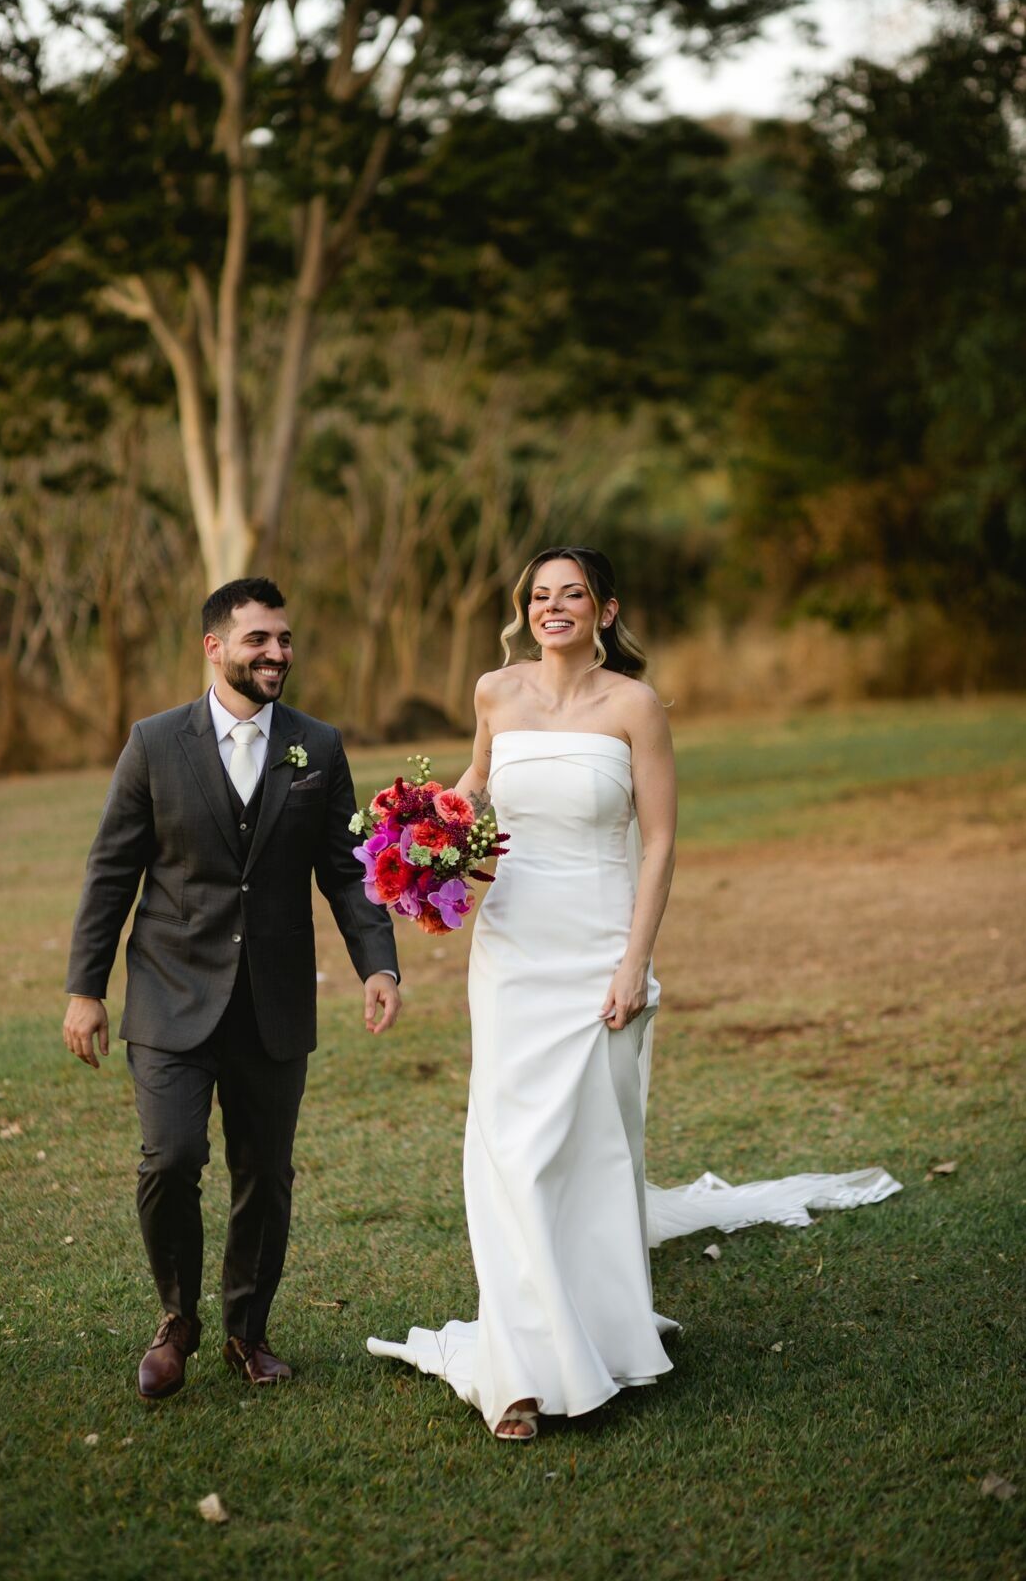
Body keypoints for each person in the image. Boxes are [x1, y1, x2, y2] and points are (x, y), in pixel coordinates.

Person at [368, 547, 900, 1441]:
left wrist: (631, 962)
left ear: (604, 610)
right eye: (539, 596)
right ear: (524, 610)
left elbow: (656, 845)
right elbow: (477, 792)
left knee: (593, 1147)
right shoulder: (495, 692)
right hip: (512, 950)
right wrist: (420, 831)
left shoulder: (635, 707)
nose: (553, 608)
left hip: (599, 944)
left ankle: (600, 1332)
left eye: (571, 594)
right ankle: (518, 1366)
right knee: (508, 1147)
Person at [64, 576, 400, 1400]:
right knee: (170, 1159)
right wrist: (85, 987)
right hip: (170, 993)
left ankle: (247, 1333)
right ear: (214, 648)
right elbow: (112, 870)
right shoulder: (153, 742)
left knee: (265, 1173)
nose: (276, 653)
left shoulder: (317, 746)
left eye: (283, 639)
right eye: (258, 640)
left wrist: (378, 963)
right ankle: (177, 1321)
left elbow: (346, 873)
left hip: (274, 999)